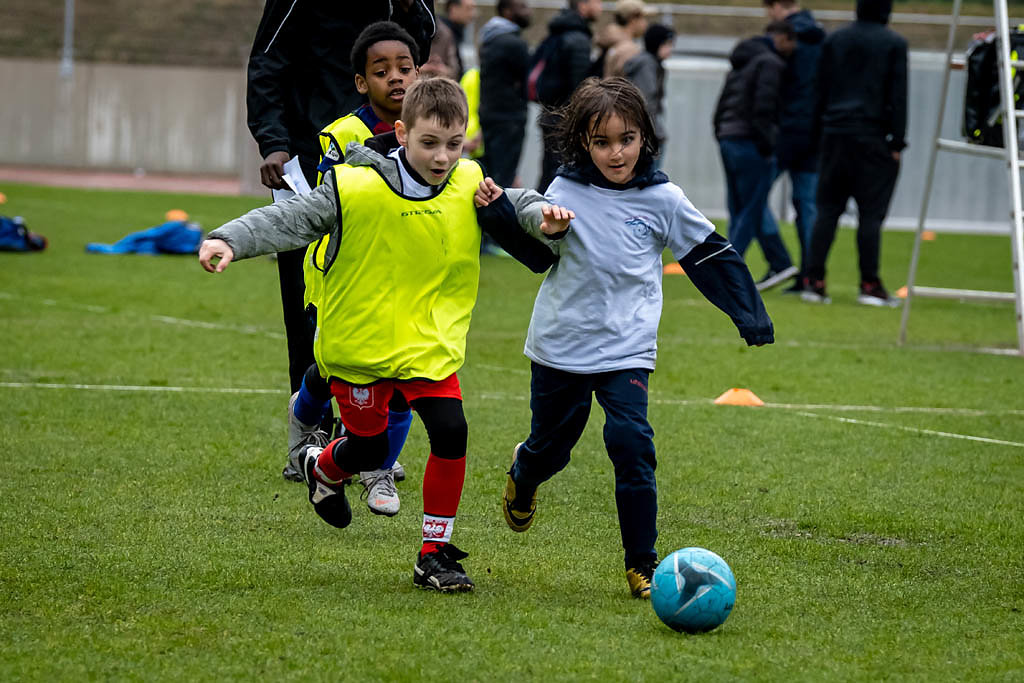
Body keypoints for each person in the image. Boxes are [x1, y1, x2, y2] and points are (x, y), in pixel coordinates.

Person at [198, 77, 571, 592]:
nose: (443, 157)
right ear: (401, 133)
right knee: (370, 450)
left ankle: (434, 553)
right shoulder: (352, 186)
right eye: (430, 143)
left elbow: (519, 201)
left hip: (428, 346)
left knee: (451, 431)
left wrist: (544, 218)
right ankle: (323, 467)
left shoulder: (468, 182)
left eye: (454, 144)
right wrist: (229, 239)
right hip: (361, 346)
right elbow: (292, 218)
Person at [476, 78, 774, 599]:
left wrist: (750, 317)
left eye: (627, 138)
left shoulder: (664, 199)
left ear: (645, 138)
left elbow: (710, 254)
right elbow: (538, 256)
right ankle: (525, 472)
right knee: (553, 449)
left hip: (626, 348)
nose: (617, 152)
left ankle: (643, 563)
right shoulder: (564, 190)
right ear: (583, 145)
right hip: (560, 344)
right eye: (602, 142)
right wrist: (504, 214)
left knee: (632, 443)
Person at [245, 0, 437, 418]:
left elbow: (416, 51)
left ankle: (373, 437)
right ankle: (310, 426)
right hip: (309, 156)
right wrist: (274, 142)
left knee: (386, 291)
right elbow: (266, 62)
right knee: (306, 296)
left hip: (386, 150)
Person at [283, 22, 422, 517]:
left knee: (402, 374)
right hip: (343, 277)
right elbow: (332, 205)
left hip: (403, 279)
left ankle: (378, 468)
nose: (396, 78)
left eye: (405, 68)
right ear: (362, 82)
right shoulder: (342, 135)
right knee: (331, 370)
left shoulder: (430, 134)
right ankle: (306, 424)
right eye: (381, 71)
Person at [802, 0, 907, 306]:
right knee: (871, 215)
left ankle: (813, 280)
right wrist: (897, 141)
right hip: (873, 137)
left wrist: (818, 136)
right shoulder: (894, 43)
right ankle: (869, 284)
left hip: (834, 134)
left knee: (827, 210)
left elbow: (819, 89)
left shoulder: (835, 39)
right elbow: (898, 95)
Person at [713, 22, 797, 280]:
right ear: (781, 38)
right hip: (750, 141)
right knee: (751, 209)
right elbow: (764, 107)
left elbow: (722, 104)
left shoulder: (742, 63)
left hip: (728, 138)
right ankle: (728, 270)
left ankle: (780, 262)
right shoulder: (770, 64)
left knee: (740, 207)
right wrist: (768, 145)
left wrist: (720, 133)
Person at [759, 0, 827, 293]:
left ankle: (780, 261)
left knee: (752, 196)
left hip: (784, 130)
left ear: (776, 6)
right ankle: (811, 277)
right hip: (815, 132)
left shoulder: (780, 38)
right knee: (808, 205)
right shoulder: (823, 36)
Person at [535, 0, 603, 192]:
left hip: (550, 114)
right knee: (558, 176)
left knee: (548, 172)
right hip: (564, 119)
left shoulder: (559, 31)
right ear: (583, 5)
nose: (601, 7)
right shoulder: (579, 39)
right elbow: (580, 87)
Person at [479, 0, 533, 189]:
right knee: (503, 177)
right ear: (507, 11)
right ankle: (500, 216)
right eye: (523, 7)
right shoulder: (514, 43)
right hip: (509, 117)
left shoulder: (488, 37)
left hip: (489, 114)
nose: (528, 11)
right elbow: (527, 79)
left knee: (491, 173)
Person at [624, 23, 675, 161]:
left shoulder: (653, 65)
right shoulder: (646, 65)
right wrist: (652, 134)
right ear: (656, 44)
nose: (671, 49)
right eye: (668, 44)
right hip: (647, 134)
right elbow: (646, 102)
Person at [422, 0, 477, 79]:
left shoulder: (449, 32)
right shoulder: (440, 31)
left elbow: (455, 69)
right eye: (468, 8)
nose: (473, 14)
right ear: (453, 8)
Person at [603, 0, 653, 79]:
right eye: (643, 18)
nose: (646, 23)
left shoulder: (611, 41)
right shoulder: (629, 50)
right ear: (633, 19)